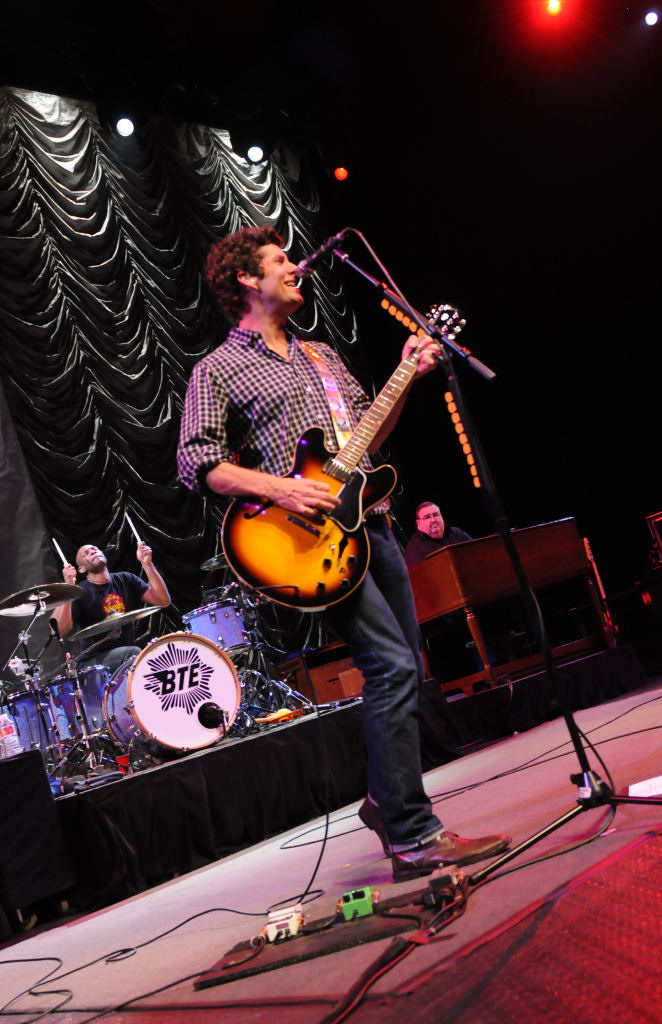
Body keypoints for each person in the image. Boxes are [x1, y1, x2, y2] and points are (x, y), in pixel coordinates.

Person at [177, 224, 510, 882]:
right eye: (280, 260)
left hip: (373, 523)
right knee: (390, 665)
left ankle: (387, 802)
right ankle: (412, 836)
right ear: (247, 278)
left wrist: (407, 376)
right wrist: (281, 488)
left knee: (406, 668)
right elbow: (198, 464)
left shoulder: (323, 356)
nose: (294, 267)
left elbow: (367, 435)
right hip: (306, 543)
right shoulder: (218, 368)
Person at [53, 541, 171, 674]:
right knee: (133, 653)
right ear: (81, 569)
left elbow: (163, 601)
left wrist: (147, 564)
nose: (92, 551)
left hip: (124, 655)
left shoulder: (125, 579)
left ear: (105, 556)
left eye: (95, 549)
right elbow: (57, 630)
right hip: (93, 662)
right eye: (86, 554)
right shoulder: (80, 592)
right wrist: (68, 589)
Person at [404, 501, 472, 567]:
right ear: (418, 523)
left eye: (435, 515)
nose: (433, 520)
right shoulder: (414, 549)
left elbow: (475, 552)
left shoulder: (457, 533)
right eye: (427, 517)